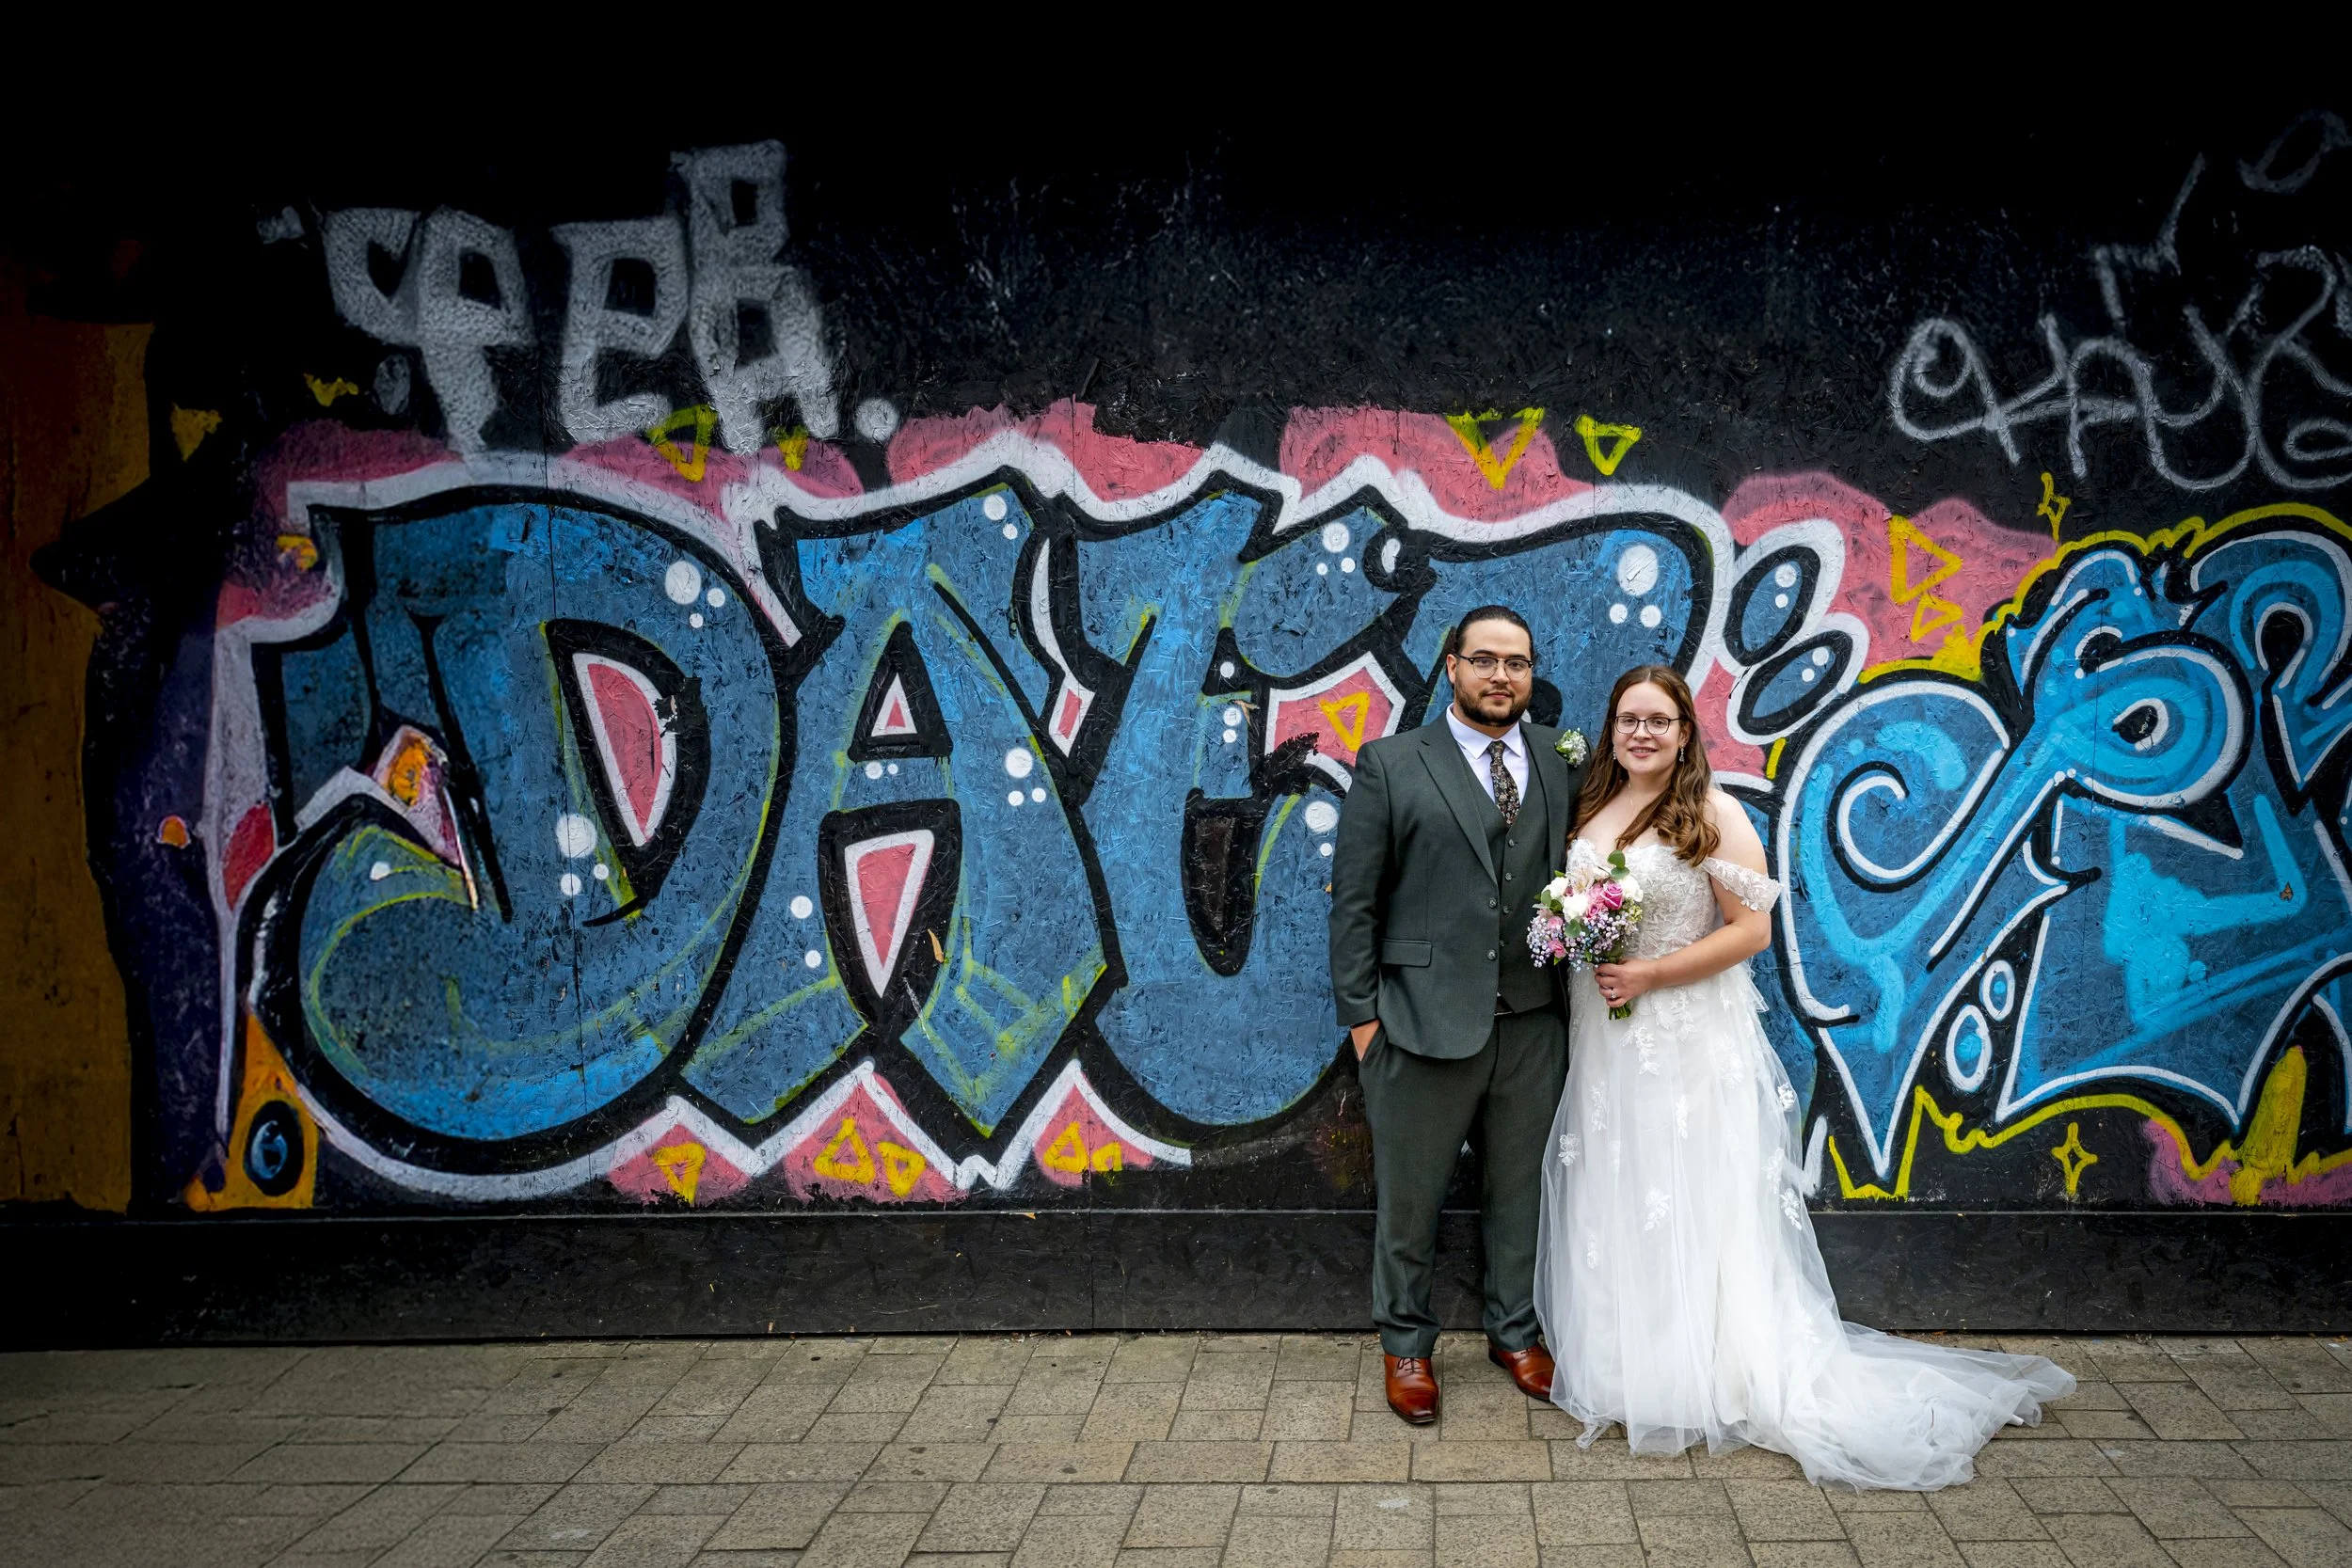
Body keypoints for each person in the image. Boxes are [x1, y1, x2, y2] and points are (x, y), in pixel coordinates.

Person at [1535, 664, 2073, 1489]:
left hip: (1679, 1031)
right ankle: (1628, 1363)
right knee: (1622, 1184)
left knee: (1688, 1191)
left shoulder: (1711, 815)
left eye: (1659, 720)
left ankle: (1706, 1368)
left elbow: (1752, 930)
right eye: (1628, 718)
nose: (1641, 733)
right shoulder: (1590, 807)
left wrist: (1652, 974)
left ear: (1685, 731)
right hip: (1606, 1035)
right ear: (1612, 728)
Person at [1327, 605, 1591, 1424]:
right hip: (1417, 1024)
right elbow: (1355, 904)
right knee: (1412, 1198)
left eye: (1516, 662)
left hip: (1533, 1020)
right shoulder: (1392, 763)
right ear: (1451, 667)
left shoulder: (1562, 756)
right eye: (1484, 660)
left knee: (1522, 1190)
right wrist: (1365, 1024)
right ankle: (1406, 1344)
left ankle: (1514, 1332)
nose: (1501, 676)